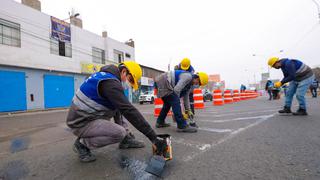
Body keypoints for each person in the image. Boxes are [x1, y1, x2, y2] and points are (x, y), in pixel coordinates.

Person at [66, 61, 166, 162]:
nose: (129, 84)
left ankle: (125, 140)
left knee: (118, 107)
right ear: (124, 71)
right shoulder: (110, 83)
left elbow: (121, 108)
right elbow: (129, 111)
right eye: (130, 80)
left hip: (88, 116)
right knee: (119, 132)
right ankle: (82, 144)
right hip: (80, 123)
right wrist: (153, 137)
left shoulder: (106, 78)